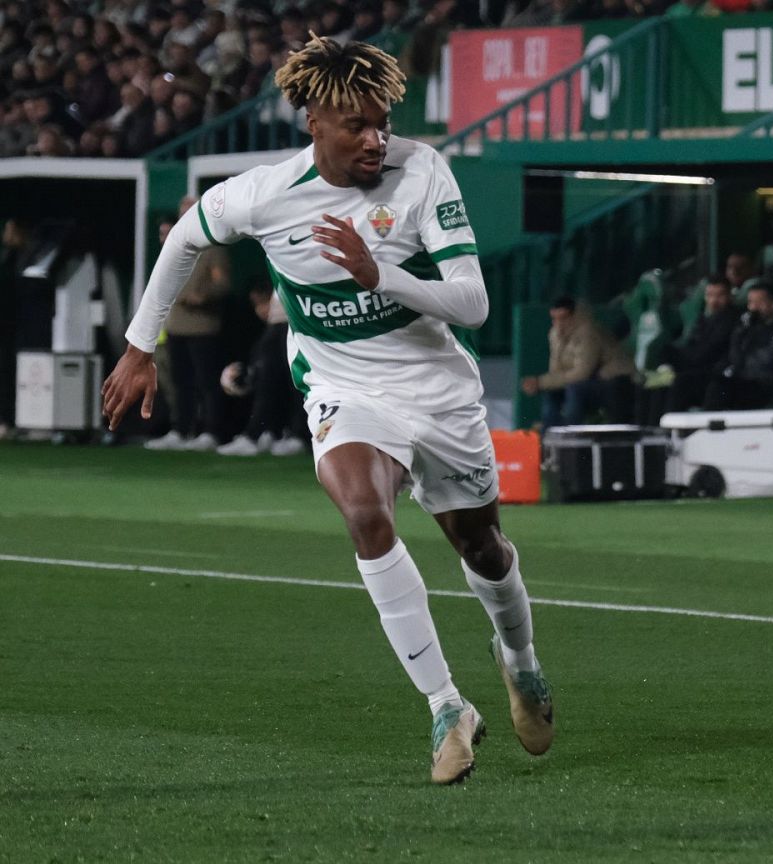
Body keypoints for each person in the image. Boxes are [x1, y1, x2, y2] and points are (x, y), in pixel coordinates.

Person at [101, 37, 554, 786]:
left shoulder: (422, 172)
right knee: (363, 512)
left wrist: (385, 275)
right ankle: (446, 706)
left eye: (382, 122)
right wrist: (139, 344)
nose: (376, 138)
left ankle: (521, 662)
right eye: (357, 125)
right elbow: (185, 237)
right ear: (314, 121)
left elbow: (473, 304)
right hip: (346, 387)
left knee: (482, 549)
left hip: (437, 388)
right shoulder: (267, 192)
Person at [145, 197, 231, 452]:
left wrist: (203, 296)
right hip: (175, 327)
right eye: (182, 213)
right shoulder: (175, 248)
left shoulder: (213, 248)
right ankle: (181, 430)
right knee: (180, 383)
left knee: (207, 382)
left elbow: (223, 284)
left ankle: (211, 432)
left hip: (204, 327)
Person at [215, 282, 306, 457]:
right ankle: (263, 433)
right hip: (279, 321)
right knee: (267, 378)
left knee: (296, 380)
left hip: (299, 320)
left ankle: (297, 435)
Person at [522, 295, 638, 428]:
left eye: (563, 318)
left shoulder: (587, 332)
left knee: (575, 389)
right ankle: (549, 435)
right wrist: (543, 384)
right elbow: (556, 372)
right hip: (593, 381)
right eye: (554, 318)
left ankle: (571, 435)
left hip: (617, 381)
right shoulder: (555, 335)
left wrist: (541, 382)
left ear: (573, 316)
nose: (558, 323)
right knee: (552, 392)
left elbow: (582, 373)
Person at [705, 281, 773, 410]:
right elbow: (735, 359)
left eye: (759, 302)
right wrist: (739, 333)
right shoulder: (748, 329)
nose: (753, 308)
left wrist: (742, 365)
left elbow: (768, 360)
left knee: (723, 388)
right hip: (745, 381)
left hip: (767, 385)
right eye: (751, 302)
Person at [663, 275, 738, 411]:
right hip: (693, 370)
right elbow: (691, 345)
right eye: (709, 295)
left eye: (719, 295)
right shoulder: (703, 319)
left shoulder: (732, 319)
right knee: (652, 382)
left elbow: (707, 352)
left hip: (712, 376)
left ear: (729, 296)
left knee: (679, 382)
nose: (714, 301)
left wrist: (678, 358)